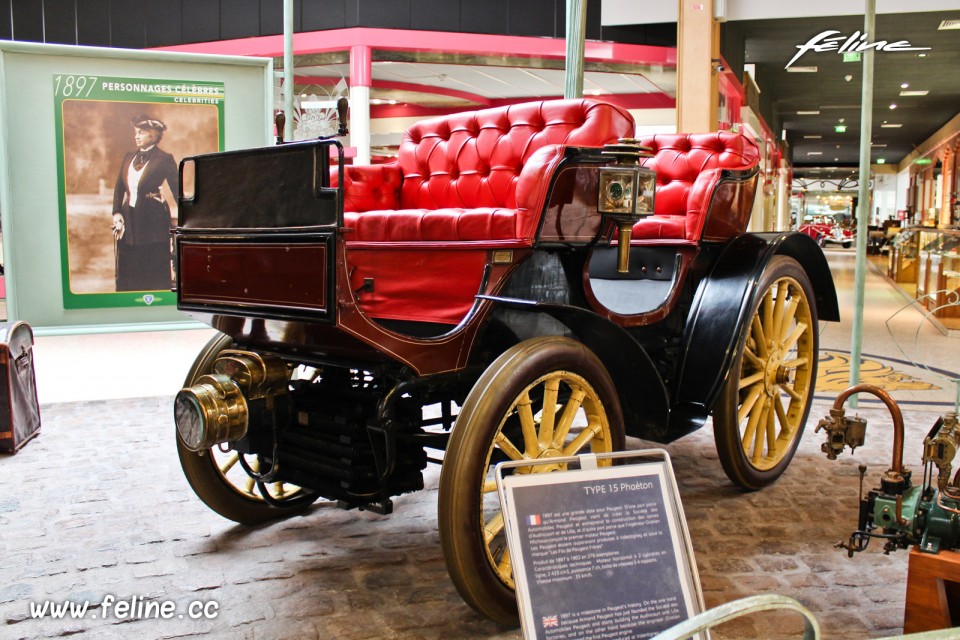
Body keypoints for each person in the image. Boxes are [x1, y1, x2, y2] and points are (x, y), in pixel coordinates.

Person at [111, 115, 179, 292]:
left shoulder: (164, 159)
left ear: (154, 136)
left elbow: (177, 190)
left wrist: (191, 216)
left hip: (153, 219)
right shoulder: (128, 157)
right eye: (136, 132)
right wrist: (117, 213)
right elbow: (119, 188)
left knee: (151, 263)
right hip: (129, 218)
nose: (136, 136)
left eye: (141, 133)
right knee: (129, 264)